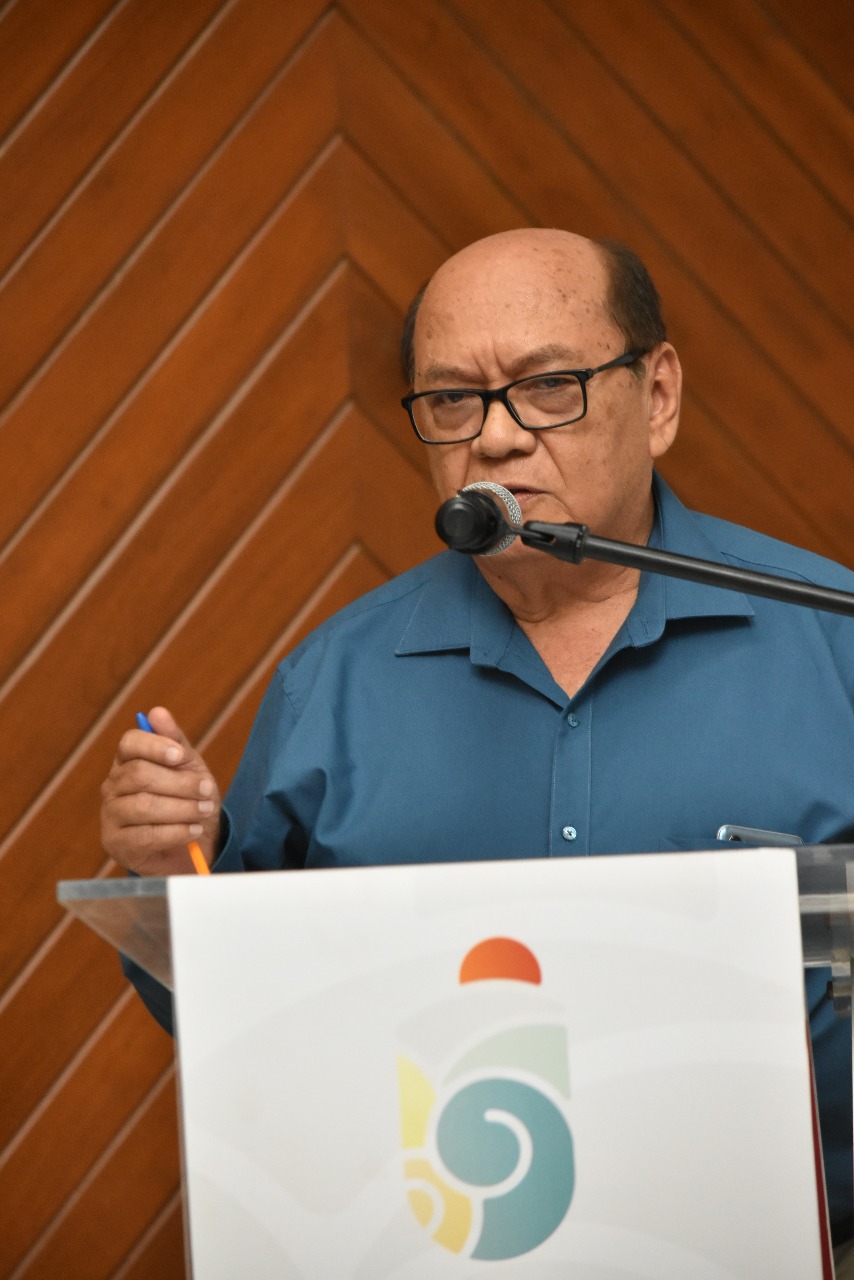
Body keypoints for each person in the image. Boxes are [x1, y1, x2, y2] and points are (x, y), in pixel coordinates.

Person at [101, 228, 853, 1250]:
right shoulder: (334, 683)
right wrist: (167, 870)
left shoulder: (830, 638)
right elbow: (243, 1013)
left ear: (658, 396)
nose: (495, 438)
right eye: (453, 399)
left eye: (547, 387)